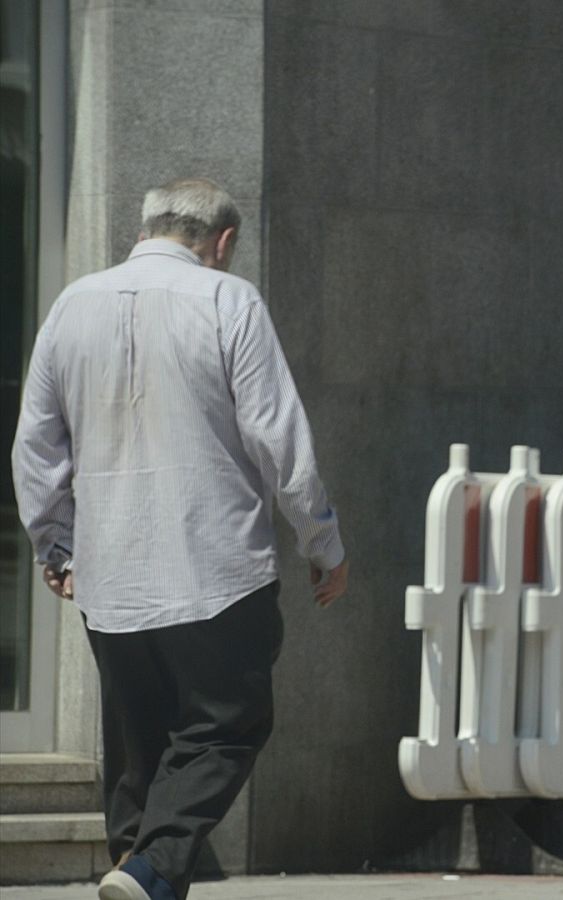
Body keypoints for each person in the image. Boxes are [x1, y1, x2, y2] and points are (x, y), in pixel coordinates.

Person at [10, 177, 349, 900]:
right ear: (222, 242)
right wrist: (323, 544)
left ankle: (135, 871)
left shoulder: (71, 305)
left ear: (145, 228)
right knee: (228, 725)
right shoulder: (229, 300)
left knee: (142, 750)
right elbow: (280, 441)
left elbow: (35, 448)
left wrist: (56, 545)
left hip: (111, 578)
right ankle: (153, 870)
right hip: (215, 569)